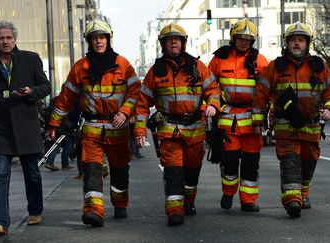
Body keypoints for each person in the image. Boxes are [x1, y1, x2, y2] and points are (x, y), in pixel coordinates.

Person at [48, 19, 141, 227]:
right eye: (94, 38)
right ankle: (93, 210)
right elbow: (66, 97)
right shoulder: (81, 67)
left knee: (119, 169)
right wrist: (54, 123)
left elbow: (136, 92)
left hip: (118, 128)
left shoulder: (123, 64)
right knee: (92, 169)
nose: (99, 41)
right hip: (92, 128)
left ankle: (120, 203)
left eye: (102, 37)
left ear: (108, 39)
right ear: (89, 41)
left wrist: (126, 112)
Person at [134, 23, 221, 226]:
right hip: (169, 130)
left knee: (192, 170)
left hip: (194, 131)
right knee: (173, 170)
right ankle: (174, 210)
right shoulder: (155, 72)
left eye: (177, 39)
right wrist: (139, 130)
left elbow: (214, 90)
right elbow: (141, 104)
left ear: (183, 43)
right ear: (163, 44)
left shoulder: (197, 67)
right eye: (169, 39)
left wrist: (213, 106)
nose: (173, 42)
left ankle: (188, 202)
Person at [252, 21, 330, 218]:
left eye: (301, 40)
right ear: (287, 44)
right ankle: (292, 201)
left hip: (311, 126)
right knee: (290, 161)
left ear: (307, 43)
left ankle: (303, 193)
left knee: (309, 161)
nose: (297, 44)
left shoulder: (319, 66)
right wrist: (258, 119)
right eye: (293, 40)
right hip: (286, 126)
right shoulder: (276, 67)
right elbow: (261, 93)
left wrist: (329, 108)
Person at [0, 20, 51, 236]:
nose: (5, 41)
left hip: (26, 124)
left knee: (32, 173)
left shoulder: (31, 58)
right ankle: (0, 222)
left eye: (8, 38)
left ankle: (35, 210)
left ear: (15, 39)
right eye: (0, 38)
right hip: (1, 128)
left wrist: (30, 92)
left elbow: (46, 86)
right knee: (0, 175)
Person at [208, 19, 268, 212]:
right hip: (228, 117)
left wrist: (269, 114)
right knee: (229, 161)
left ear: (253, 41)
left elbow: (267, 90)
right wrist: (210, 108)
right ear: (233, 38)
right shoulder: (219, 59)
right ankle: (228, 192)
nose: (243, 42)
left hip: (252, 119)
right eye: (240, 38)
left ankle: (248, 200)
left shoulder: (260, 61)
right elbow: (209, 87)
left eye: (248, 39)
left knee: (251, 163)